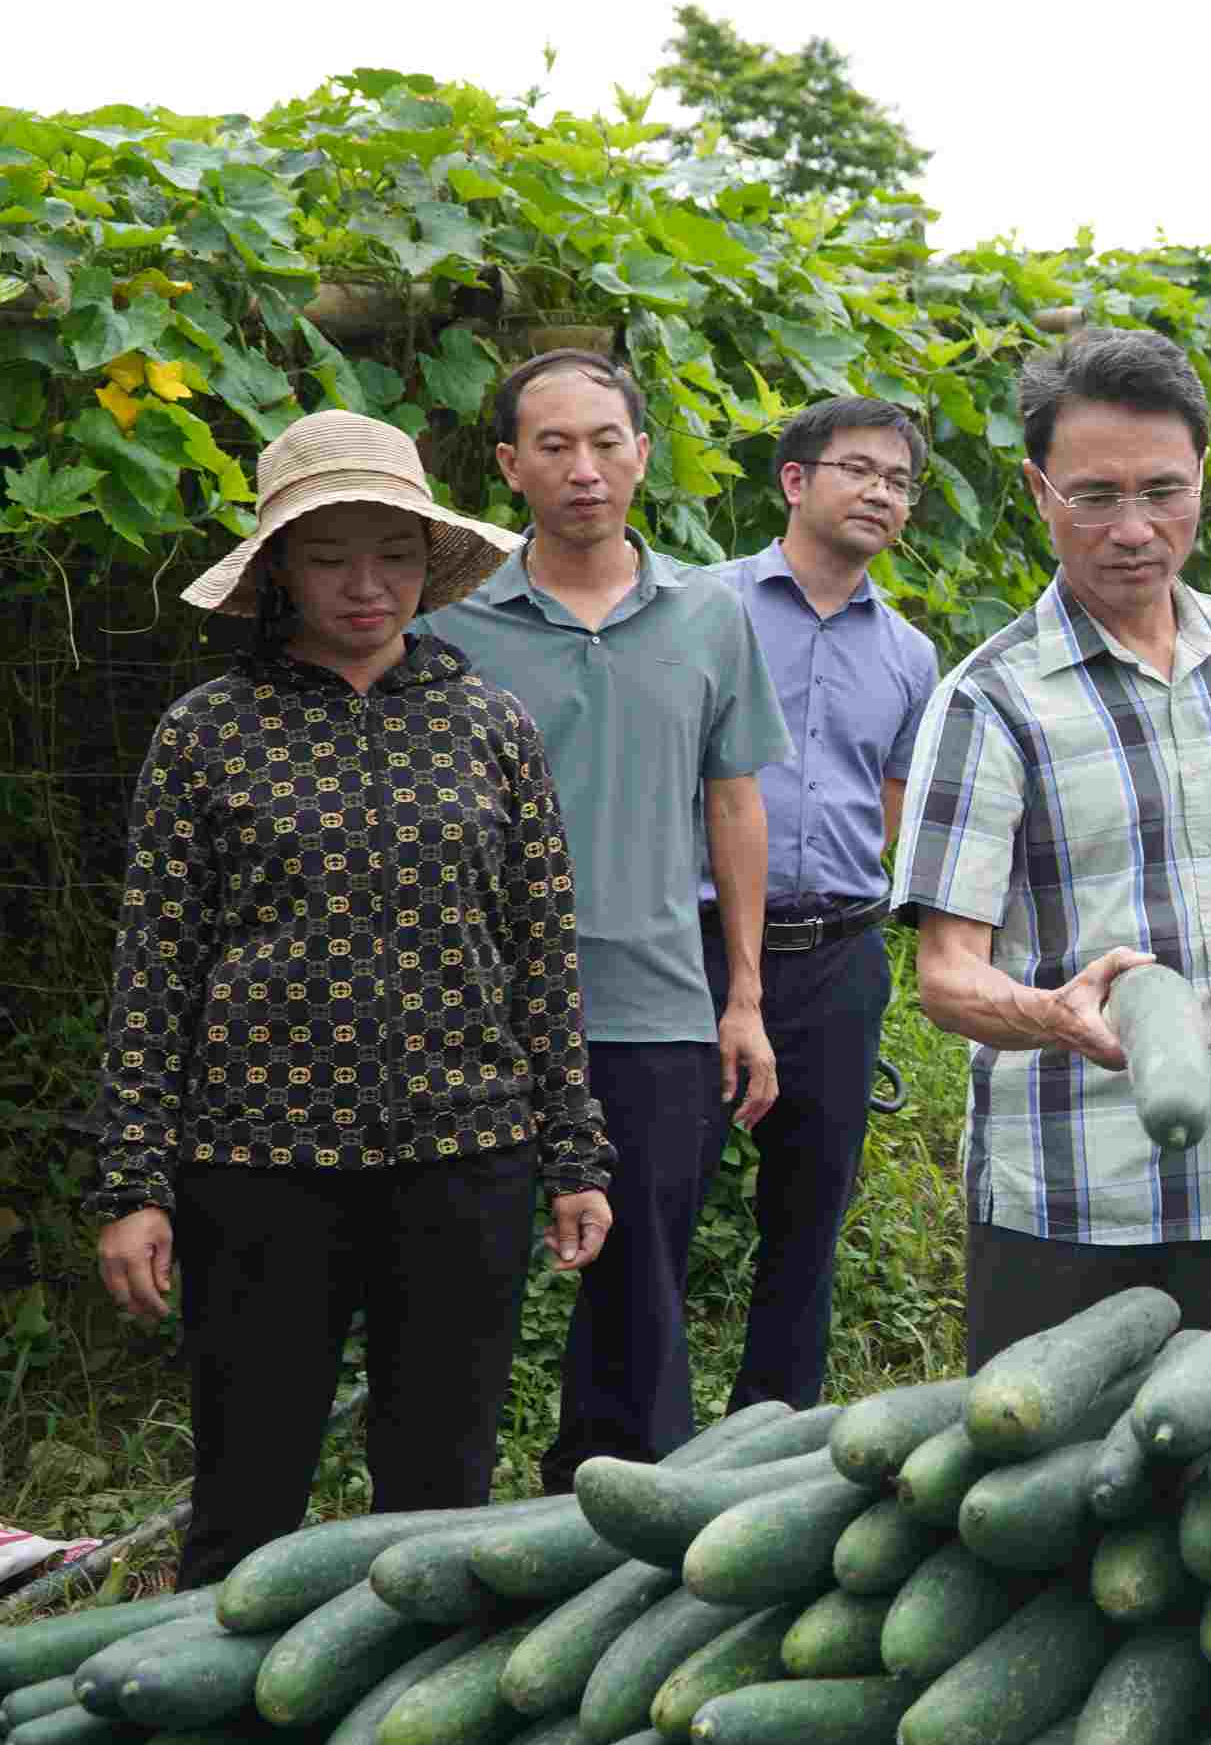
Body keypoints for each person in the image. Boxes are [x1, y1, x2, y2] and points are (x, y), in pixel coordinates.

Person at [87, 410, 616, 1587]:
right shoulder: (207, 733)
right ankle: (213, 1740)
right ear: (281, 568)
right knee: (247, 1482)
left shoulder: (491, 723)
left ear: (431, 562)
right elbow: (154, 967)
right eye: (330, 555)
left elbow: (540, 951)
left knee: (442, 1486)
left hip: (466, 1152)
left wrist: (576, 1153)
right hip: (256, 1162)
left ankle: (413, 1742)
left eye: (392, 551)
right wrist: (134, 1178)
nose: (364, 583)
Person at [895, 327, 1211, 1367]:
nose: (1133, 529)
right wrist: (1048, 1013)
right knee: (1042, 1507)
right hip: (1068, 1201)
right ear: (1037, 491)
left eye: (1164, 490)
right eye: (1094, 496)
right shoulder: (990, 699)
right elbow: (945, 975)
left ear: (1206, 476)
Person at [423, 350, 796, 1491]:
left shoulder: (709, 614)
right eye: (553, 445)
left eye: (606, 442)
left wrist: (743, 994)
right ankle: (444, 1511)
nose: (584, 469)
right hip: (474, 1007)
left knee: (643, 1284)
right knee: (463, 1278)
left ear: (642, 452)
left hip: (655, 999)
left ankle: (612, 1499)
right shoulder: (456, 621)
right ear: (507, 465)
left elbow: (733, 800)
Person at [690, 398, 941, 1408]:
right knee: (657, 1193)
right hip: (699, 947)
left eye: (899, 480)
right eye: (860, 469)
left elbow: (888, 794)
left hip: (839, 959)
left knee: (809, 1215)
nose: (882, 492)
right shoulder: (702, 608)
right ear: (795, 481)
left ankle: (772, 1433)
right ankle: (629, 1445)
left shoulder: (911, 655)